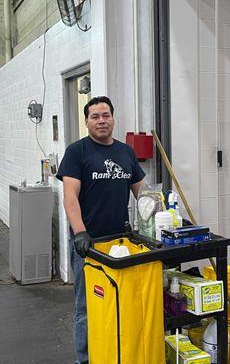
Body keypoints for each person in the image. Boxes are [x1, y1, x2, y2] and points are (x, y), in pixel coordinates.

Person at [56, 96, 145, 364]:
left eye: (105, 115)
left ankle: (116, 354)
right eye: (95, 116)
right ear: (86, 122)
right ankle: (85, 360)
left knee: (119, 300)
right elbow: (70, 196)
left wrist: (164, 216)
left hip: (121, 243)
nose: (101, 120)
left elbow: (143, 193)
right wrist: (80, 233)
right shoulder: (77, 151)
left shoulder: (126, 152)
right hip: (89, 244)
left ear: (113, 118)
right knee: (85, 307)